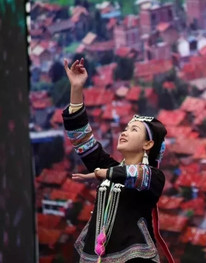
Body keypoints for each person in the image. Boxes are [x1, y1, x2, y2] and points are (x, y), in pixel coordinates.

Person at [62, 58, 174, 263]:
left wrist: (102, 174)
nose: (124, 132)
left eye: (134, 130)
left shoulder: (154, 177)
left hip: (135, 257)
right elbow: (81, 138)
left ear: (148, 144)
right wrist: (77, 89)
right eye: (125, 128)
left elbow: (137, 175)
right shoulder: (110, 168)